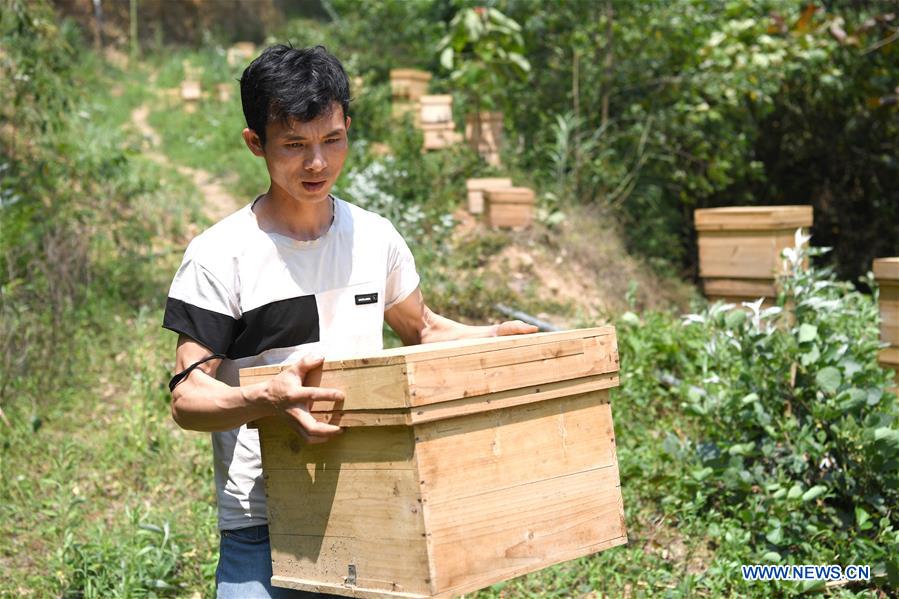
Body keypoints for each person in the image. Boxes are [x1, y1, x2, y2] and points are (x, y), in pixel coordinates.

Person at [162, 44, 537, 599]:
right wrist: (267, 399)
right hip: (264, 520)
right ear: (255, 143)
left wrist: (493, 338)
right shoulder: (220, 255)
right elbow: (187, 398)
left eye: (332, 140)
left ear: (348, 130)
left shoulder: (375, 237)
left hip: (376, 499)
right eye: (295, 145)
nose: (317, 163)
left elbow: (422, 329)